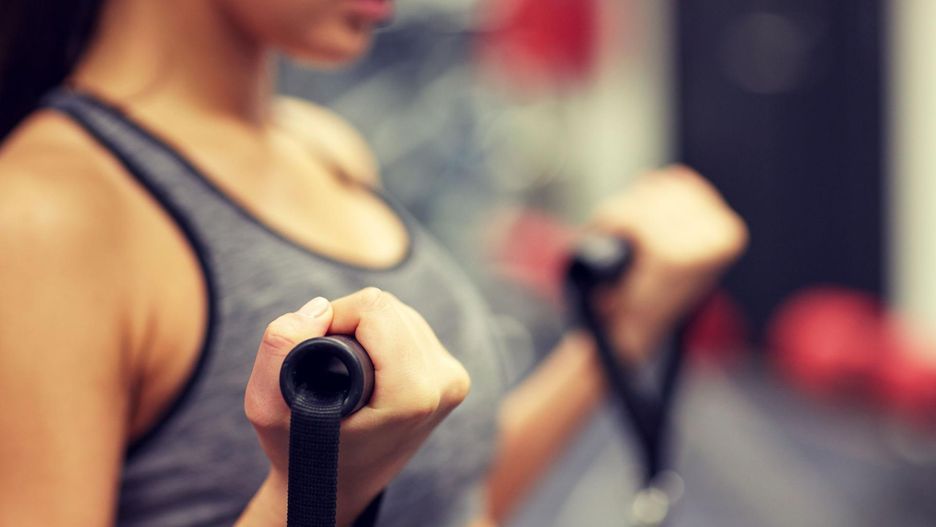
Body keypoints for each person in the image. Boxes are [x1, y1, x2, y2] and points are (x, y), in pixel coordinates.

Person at [0, 0, 748, 525]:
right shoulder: (44, 216)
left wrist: (621, 332)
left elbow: (452, 501)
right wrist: (311, 491)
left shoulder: (324, 147)